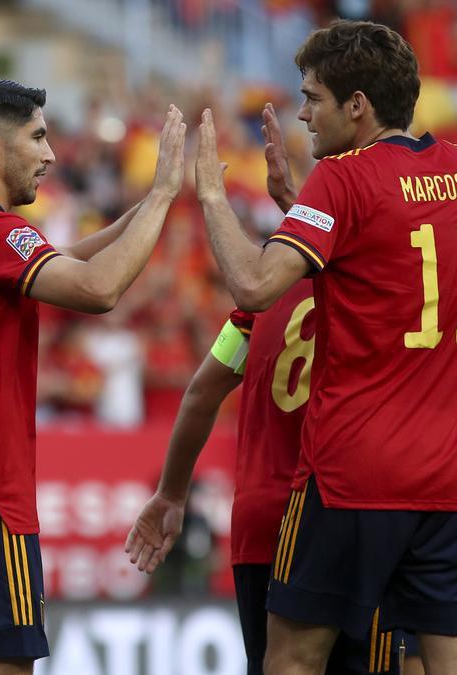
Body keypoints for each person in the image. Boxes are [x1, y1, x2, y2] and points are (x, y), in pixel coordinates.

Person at [181, 20, 457, 674]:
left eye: (313, 97)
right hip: (453, 482)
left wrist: (211, 192)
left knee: (292, 657)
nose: (302, 113)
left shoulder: (344, 177)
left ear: (358, 104)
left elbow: (257, 285)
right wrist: (301, 208)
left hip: (352, 475)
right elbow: (386, 249)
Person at [0, 77, 185, 674]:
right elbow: (98, 289)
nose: (51, 154)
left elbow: (60, 259)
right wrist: (161, 199)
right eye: (39, 137)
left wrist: (148, 202)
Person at [126, 103, 420, 675]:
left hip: (262, 522)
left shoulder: (256, 312)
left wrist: (172, 493)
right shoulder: (382, 298)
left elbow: (201, 393)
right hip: (351, 506)